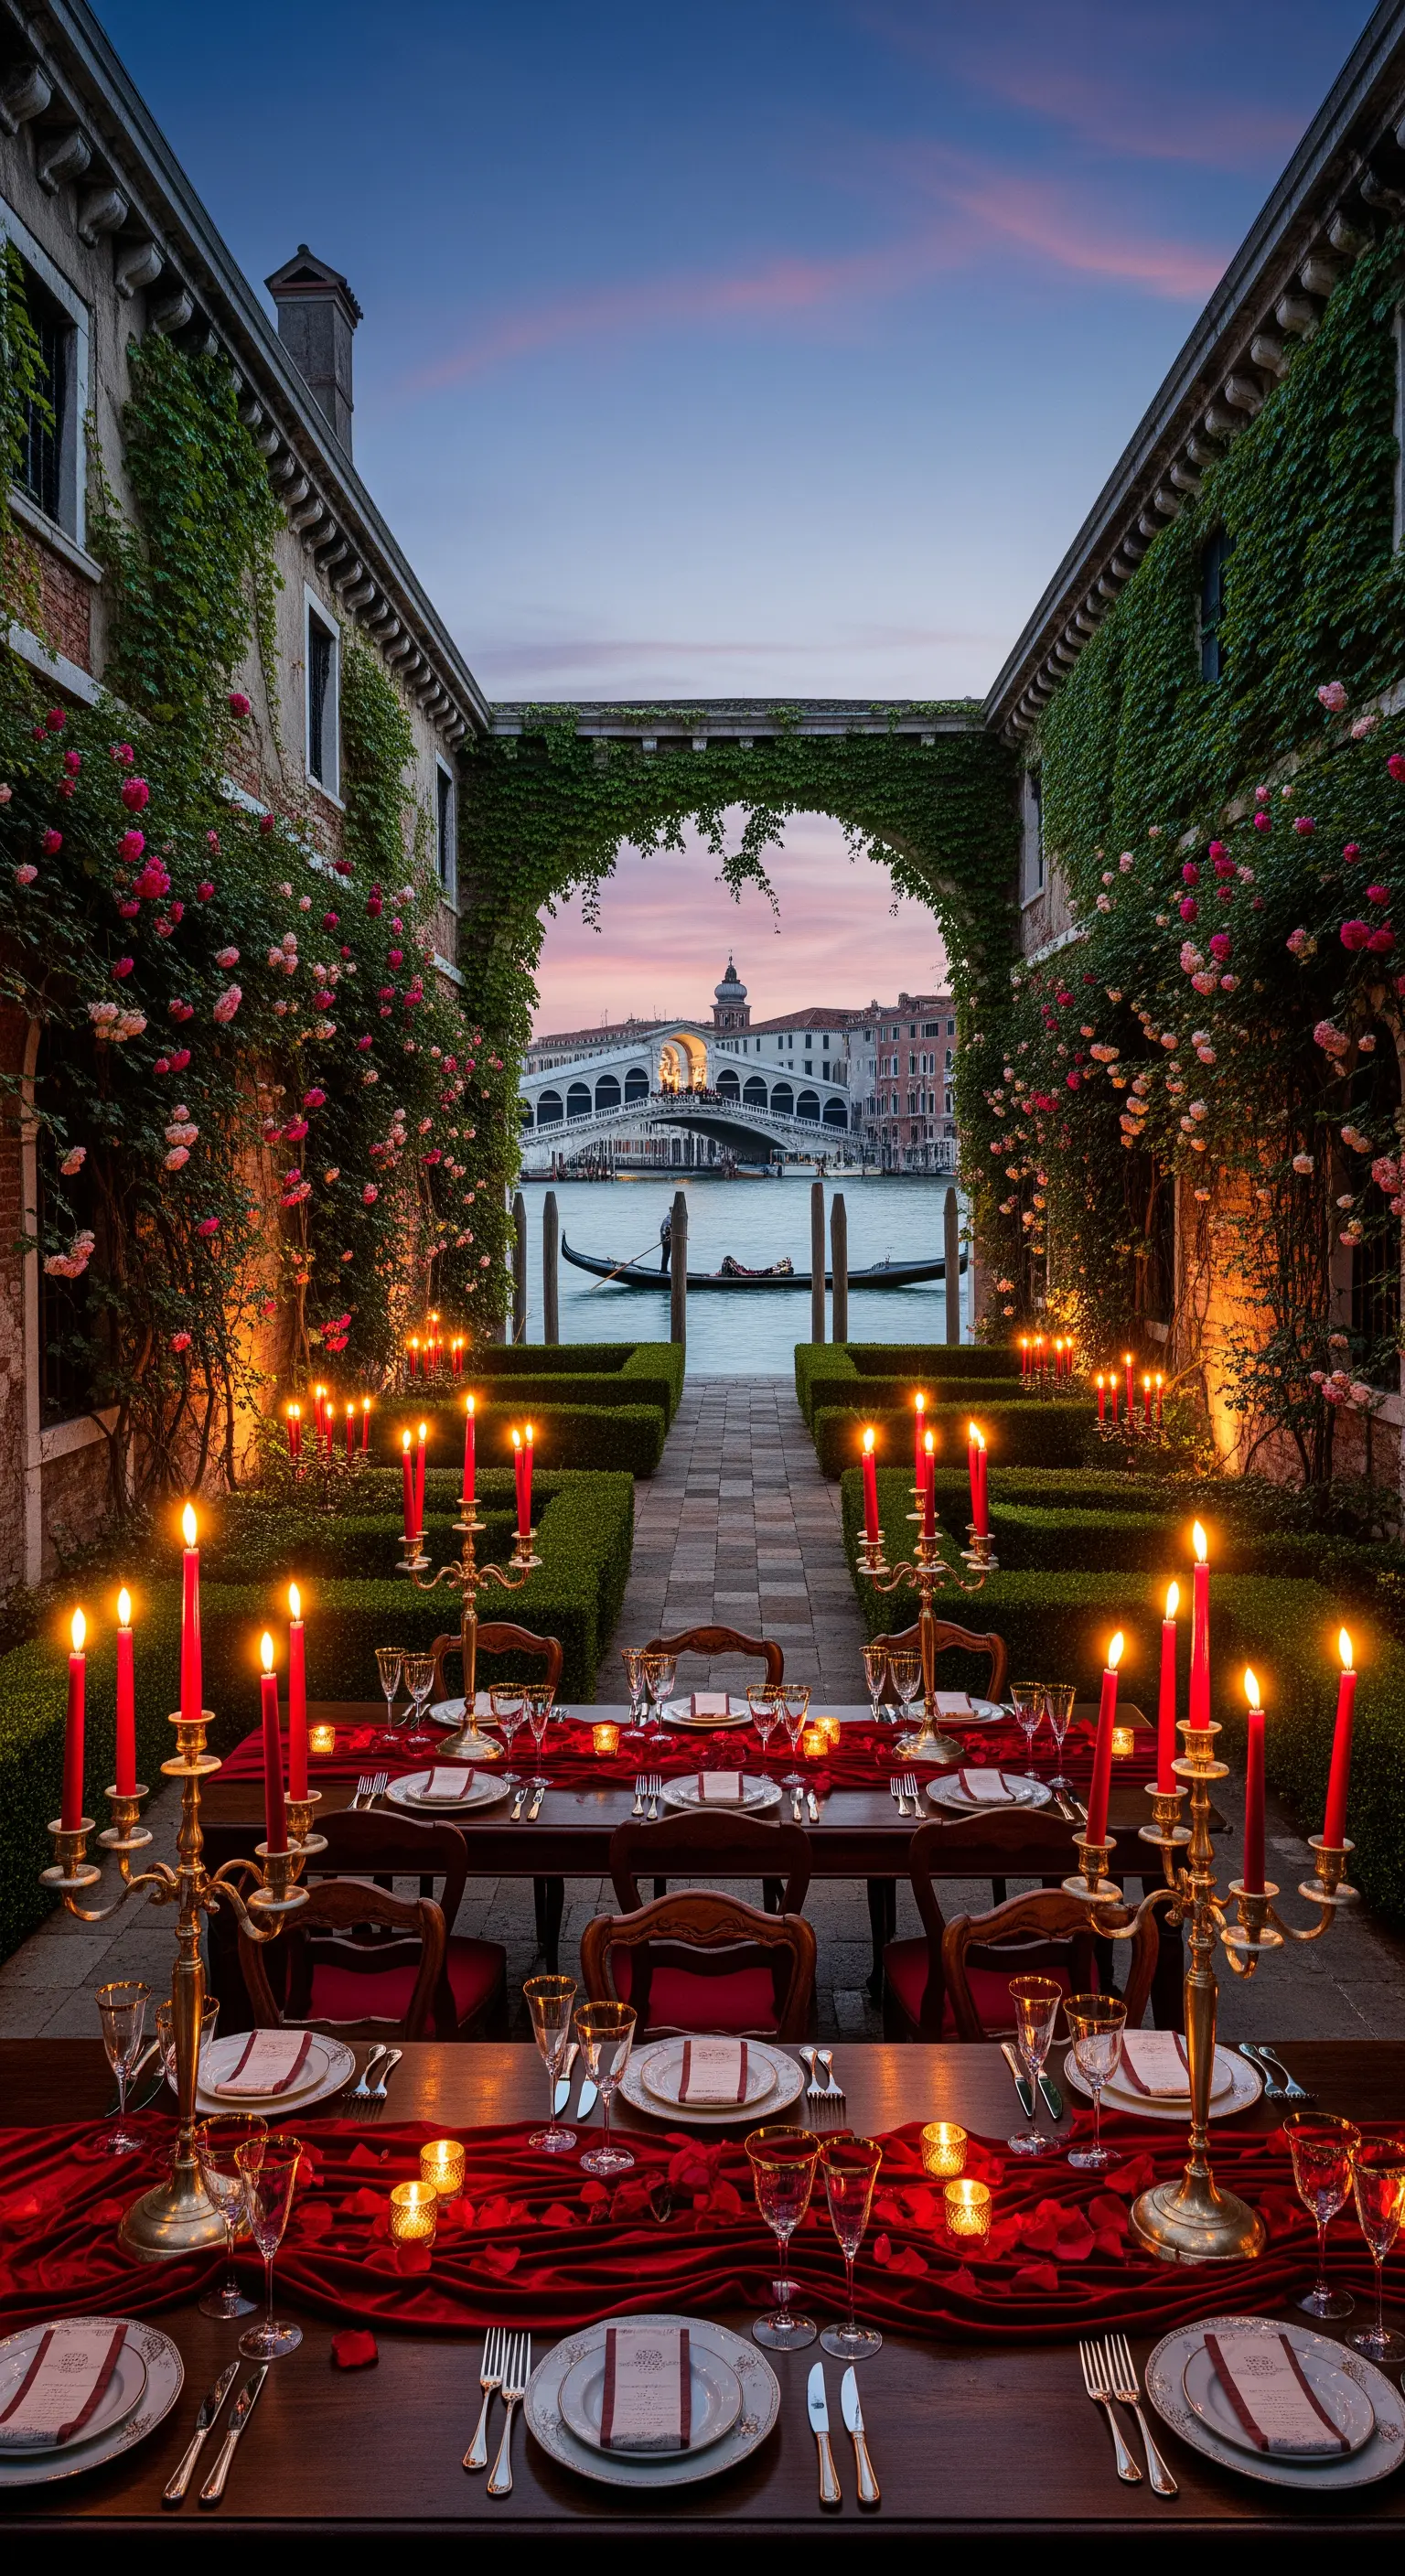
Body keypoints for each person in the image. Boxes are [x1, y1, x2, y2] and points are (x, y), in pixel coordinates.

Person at [660, 1210, 671, 1274]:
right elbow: (666, 1228)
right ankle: (663, 1270)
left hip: (670, 1237)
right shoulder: (669, 1218)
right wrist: (667, 1236)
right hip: (666, 1237)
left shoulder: (672, 1218)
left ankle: (665, 1270)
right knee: (666, 1254)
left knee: (667, 1254)